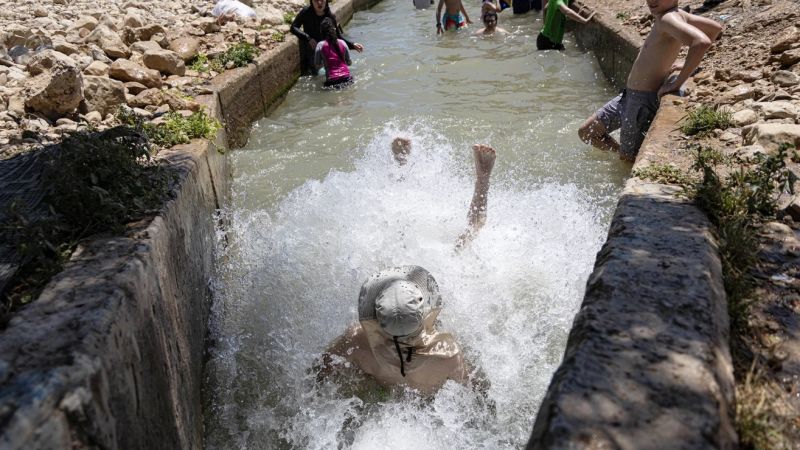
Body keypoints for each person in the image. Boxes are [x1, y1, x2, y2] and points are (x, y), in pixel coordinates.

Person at [317, 143, 497, 394]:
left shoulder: (357, 340)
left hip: (380, 361)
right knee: (462, 242)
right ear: (426, 315)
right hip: (425, 353)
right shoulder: (447, 355)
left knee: (397, 235)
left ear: (376, 318)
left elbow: (317, 372)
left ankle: (401, 167)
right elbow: (478, 392)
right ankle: (482, 179)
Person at [577, 0, 722, 162]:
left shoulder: (668, 18)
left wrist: (678, 82)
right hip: (628, 97)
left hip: (641, 102)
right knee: (587, 131)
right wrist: (684, 63)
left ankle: (628, 158)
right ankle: (625, 154)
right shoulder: (676, 15)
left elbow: (701, 42)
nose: (652, 1)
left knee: (627, 158)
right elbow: (715, 28)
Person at [290, 0, 364, 75]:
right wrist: (308, 38)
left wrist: (352, 45)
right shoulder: (306, 12)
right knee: (312, 73)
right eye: (316, 0)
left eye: (322, 0)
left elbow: (337, 37)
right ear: (311, 1)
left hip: (326, 50)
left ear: (326, 1)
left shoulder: (330, 16)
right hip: (310, 48)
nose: (319, 3)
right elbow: (293, 27)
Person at [314, 18, 353, 88]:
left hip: (332, 81)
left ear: (321, 32)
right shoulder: (343, 43)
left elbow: (317, 65)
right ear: (334, 30)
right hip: (347, 79)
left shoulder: (320, 45)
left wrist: (326, 65)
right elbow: (349, 63)